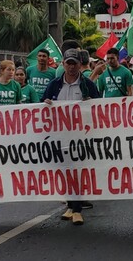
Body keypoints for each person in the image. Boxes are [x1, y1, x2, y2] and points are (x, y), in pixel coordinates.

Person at [42, 49, 100, 225]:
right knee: (65, 170)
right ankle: (70, 204)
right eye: (69, 63)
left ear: (79, 65)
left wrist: (90, 103)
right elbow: (41, 104)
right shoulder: (54, 85)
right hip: (60, 136)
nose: (72, 67)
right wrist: (46, 104)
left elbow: (100, 107)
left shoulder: (87, 85)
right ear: (63, 64)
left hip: (81, 136)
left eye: (75, 63)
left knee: (77, 170)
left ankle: (76, 209)